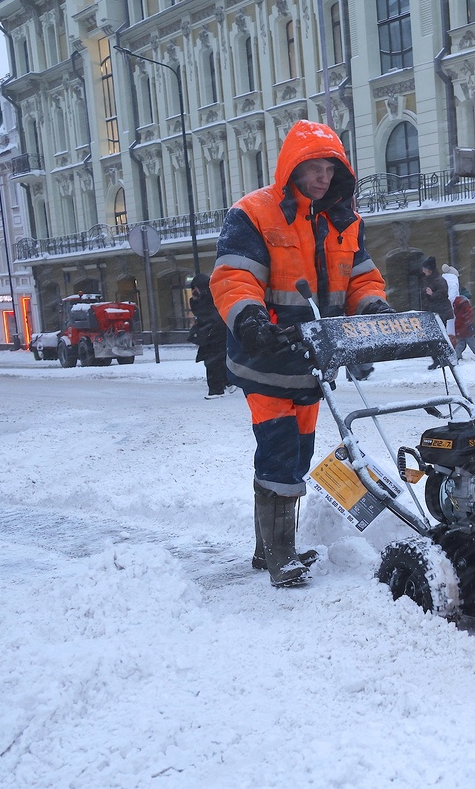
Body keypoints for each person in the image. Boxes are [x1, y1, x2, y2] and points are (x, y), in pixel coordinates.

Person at [210, 120, 393, 587]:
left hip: (313, 364)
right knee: (278, 452)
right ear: (292, 168)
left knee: (298, 455)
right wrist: (250, 319)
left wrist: (372, 307)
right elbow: (235, 277)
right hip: (265, 358)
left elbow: (360, 279)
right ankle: (280, 557)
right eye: (313, 168)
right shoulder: (254, 214)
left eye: (329, 169)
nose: (322, 178)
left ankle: (266, 548)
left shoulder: (343, 222)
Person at [187, 272, 231, 399]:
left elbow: (207, 315)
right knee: (213, 362)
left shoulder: (212, 298)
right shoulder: (200, 299)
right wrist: (195, 300)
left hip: (216, 335)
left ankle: (218, 388)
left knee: (214, 362)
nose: (194, 290)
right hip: (209, 336)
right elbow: (200, 314)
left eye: (196, 287)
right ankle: (220, 386)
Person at [420, 256, 454, 369]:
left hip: (440, 313)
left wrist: (432, 294)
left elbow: (443, 294)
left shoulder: (439, 280)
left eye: (424, 269)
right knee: (433, 337)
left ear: (429, 270)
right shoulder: (430, 279)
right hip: (433, 312)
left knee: (438, 337)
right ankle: (437, 359)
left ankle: (442, 358)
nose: (423, 271)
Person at [451, 293, 475, 361]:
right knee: (472, 342)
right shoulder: (466, 304)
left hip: (458, 326)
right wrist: (469, 324)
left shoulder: (456, 304)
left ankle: (456, 355)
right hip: (465, 326)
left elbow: (458, 315)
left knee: (460, 343)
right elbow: (469, 315)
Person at [441, 263, 461, 343]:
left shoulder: (442, 280)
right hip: (451, 310)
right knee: (451, 331)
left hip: (441, 309)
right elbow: (452, 298)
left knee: (444, 329)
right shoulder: (453, 283)